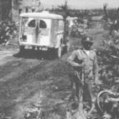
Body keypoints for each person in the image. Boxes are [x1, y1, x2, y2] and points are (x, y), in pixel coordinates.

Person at [67, 36, 100, 113]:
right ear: (83, 44)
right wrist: (77, 65)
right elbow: (69, 60)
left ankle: (91, 108)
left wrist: (96, 78)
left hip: (89, 77)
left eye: (89, 44)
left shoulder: (93, 53)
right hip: (79, 77)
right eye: (86, 43)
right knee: (78, 93)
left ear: (91, 44)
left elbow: (96, 67)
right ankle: (79, 109)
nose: (88, 45)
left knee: (89, 92)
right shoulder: (77, 52)